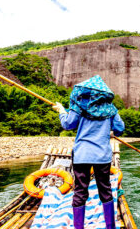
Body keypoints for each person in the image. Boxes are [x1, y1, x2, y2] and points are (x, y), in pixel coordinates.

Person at [53, 75, 124, 229]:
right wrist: (111, 132)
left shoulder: (79, 105)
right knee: (105, 191)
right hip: (102, 156)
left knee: (80, 192)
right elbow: (120, 129)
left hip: (82, 155)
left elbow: (68, 124)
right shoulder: (111, 110)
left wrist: (61, 111)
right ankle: (110, 227)